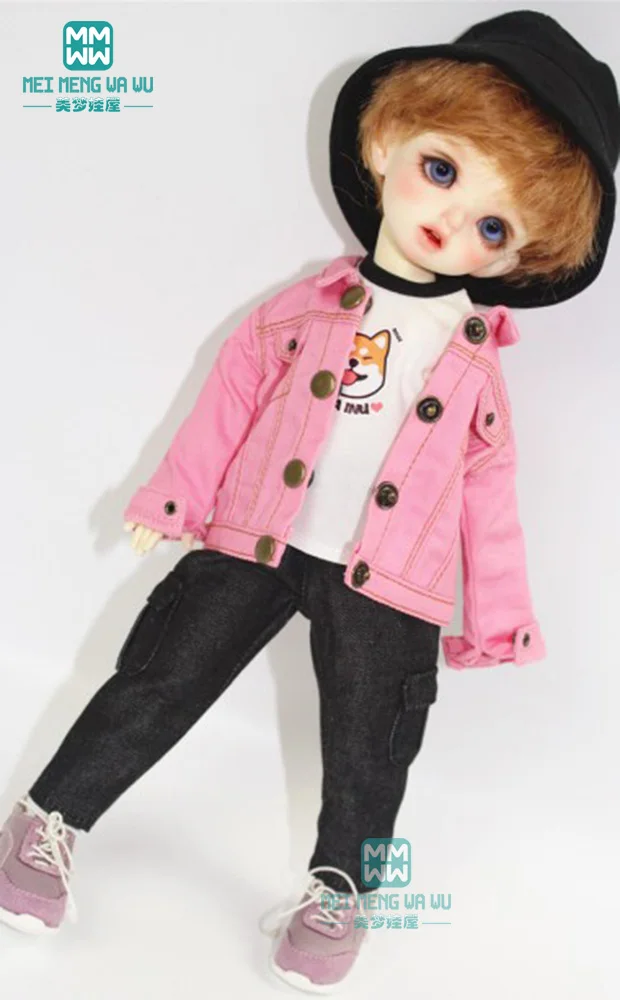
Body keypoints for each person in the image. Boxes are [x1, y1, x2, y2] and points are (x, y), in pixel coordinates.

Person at [1, 9, 618, 994]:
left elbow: (487, 498)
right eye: (442, 170)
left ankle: (340, 895)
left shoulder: (473, 369)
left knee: (373, 746)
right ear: (384, 143)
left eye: (493, 227)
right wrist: (175, 496)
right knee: (161, 675)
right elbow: (231, 398)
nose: (450, 220)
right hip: (255, 537)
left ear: (519, 260)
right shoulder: (302, 311)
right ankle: (48, 820)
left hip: (391, 583)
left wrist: (497, 618)